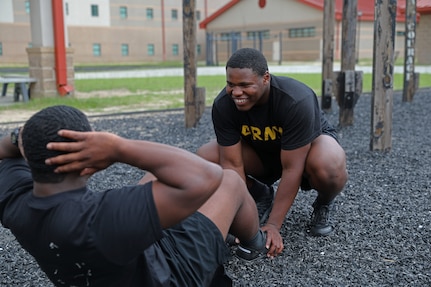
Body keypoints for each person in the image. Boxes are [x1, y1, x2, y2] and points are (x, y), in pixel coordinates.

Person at [0, 105, 275, 287]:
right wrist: (119, 148)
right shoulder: (100, 217)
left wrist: (21, 136)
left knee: (162, 173)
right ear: (87, 163)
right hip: (171, 274)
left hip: (117, 259)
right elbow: (206, 177)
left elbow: (3, 151)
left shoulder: (16, 202)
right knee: (229, 181)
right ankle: (253, 243)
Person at [197, 48, 348, 257]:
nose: (236, 92)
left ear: (265, 78)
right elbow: (232, 166)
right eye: (230, 84)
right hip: (263, 153)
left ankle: (323, 202)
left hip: (305, 155)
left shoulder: (296, 99)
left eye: (244, 85)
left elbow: (292, 168)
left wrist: (273, 225)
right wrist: (241, 223)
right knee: (206, 156)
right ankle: (260, 194)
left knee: (328, 162)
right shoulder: (224, 105)